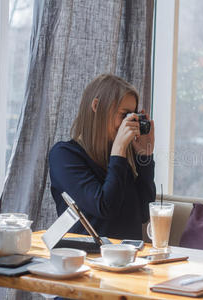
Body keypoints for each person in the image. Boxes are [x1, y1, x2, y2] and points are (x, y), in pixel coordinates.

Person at [49, 74, 156, 240]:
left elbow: (143, 213)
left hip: (128, 258)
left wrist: (145, 156)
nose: (130, 124)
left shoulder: (118, 159)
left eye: (133, 116)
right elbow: (105, 208)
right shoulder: (64, 155)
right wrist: (119, 150)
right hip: (85, 261)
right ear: (97, 106)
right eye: (124, 115)